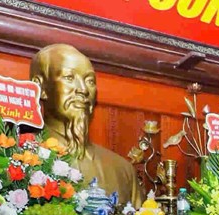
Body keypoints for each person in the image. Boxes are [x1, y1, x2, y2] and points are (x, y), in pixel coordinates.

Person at [30, 44, 144, 206]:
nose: (83, 90)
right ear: (40, 87)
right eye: (69, 77)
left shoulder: (122, 170)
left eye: (89, 81)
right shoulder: (21, 159)